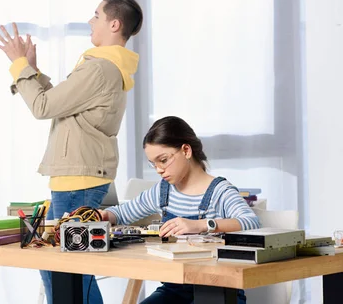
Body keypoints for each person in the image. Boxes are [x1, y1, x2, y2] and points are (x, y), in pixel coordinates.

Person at [0, 0, 143, 304]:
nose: (91, 21)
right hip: (77, 179)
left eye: (97, 16)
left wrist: (19, 64)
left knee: (68, 269)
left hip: (79, 181)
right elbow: (60, 104)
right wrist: (30, 69)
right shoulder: (102, 67)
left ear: (114, 24)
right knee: (61, 267)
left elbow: (42, 106)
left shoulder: (100, 68)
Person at [101, 116, 261, 304]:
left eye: (163, 160)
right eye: (154, 164)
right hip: (174, 290)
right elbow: (122, 213)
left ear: (186, 150)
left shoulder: (220, 191)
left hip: (219, 291)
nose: (159, 170)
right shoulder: (163, 192)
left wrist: (201, 225)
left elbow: (252, 223)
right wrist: (103, 215)